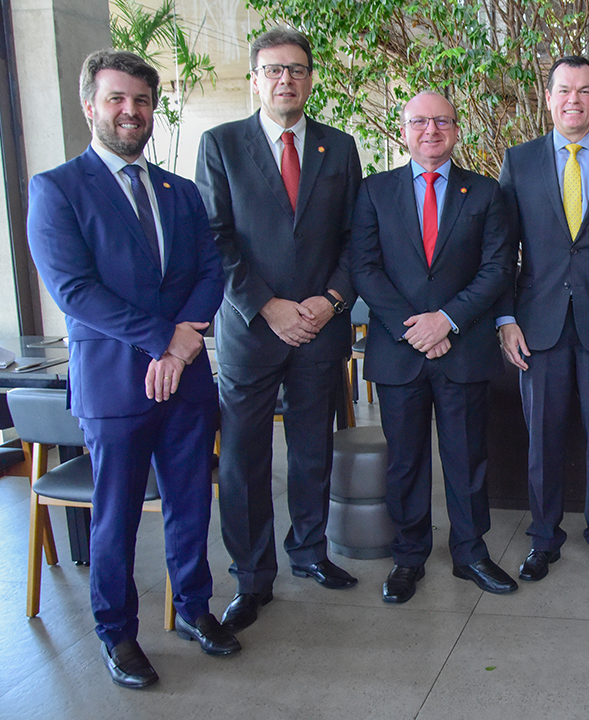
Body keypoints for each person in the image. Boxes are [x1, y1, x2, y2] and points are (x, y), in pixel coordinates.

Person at [26, 49, 235, 689]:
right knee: (114, 517)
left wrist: (181, 348)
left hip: (188, 381)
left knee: (190, 502)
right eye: (117, 99)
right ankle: (118, 633)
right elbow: (74, 290)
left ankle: (195, 608)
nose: (130, 111)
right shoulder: (58, 189)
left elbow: (210, 270)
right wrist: (164, 344)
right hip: (117, 384)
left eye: (141, 101)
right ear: (90, 105)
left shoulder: (178, 190)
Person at [196, 27, 362, 633]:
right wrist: (268, 306)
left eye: (295, 69)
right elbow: (214, 238)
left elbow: (355, 237)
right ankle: (252, 576)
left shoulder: (338, 148)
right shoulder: (221, 145)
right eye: (272, 70)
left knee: (313, 447)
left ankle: (310, 552)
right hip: (251, 329)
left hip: (320, 328)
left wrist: (331, 299)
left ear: (311, 78)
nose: (284, 79)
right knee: (244, 458)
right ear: (255, 79)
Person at [344, 91, 516, 603]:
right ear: (404, 130)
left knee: (467, 457)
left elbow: (497, 268)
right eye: (419, 121)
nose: (431, 130)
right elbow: (364, 268)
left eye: (441, 121)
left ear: (457, 129)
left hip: (462, 347)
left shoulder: (485, 194)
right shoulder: (374, 191)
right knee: (405, 460)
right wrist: (411, 327)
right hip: (400, 352)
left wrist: (446, 320)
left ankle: (470, 552)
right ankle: (408, 556)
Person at [496, 56, 589, 583]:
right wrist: (504, 318)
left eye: (585, 90)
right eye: (564, 90)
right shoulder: (518, 162)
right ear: (548, 97)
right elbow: (502, 252)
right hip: (537, 325)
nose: (574, 100)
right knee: (543, 438)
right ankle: (544, 539)